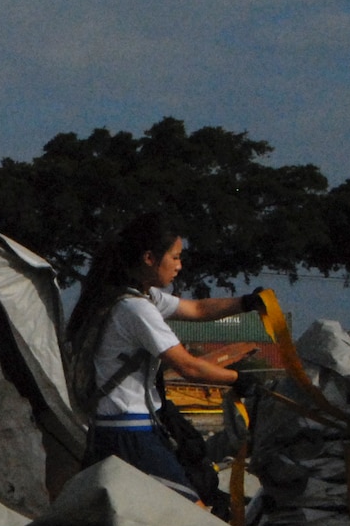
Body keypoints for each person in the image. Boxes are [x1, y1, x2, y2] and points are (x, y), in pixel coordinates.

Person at [70, 213, 264, 504]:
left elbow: (197, 309)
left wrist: (246, 303)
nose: (179, 265)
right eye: (175, 257)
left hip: (111, 428)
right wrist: (239, 379)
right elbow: (187, 366)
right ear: (150, 257)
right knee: (191, 514)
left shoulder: (131, 297)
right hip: (131, 432)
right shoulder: (136, 309)